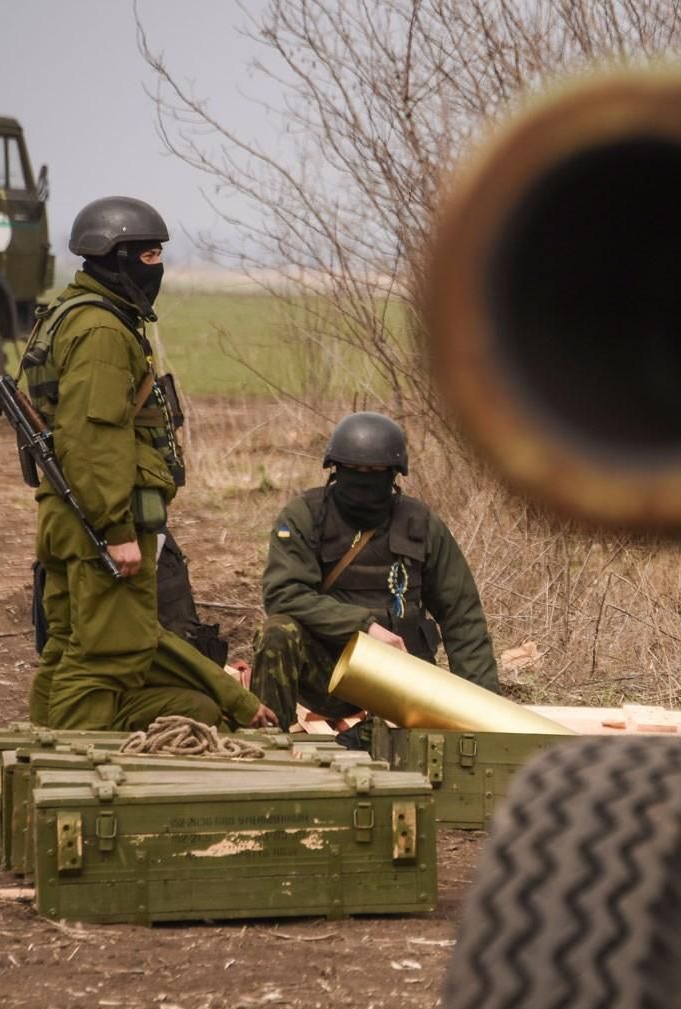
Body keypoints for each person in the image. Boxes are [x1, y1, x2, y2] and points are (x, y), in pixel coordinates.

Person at [25, 194, 272, 732]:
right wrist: (116, 530)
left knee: (69, 645)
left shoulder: (76, 315)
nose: (156, 267)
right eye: (149, 256)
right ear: (116, 258)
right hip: (98, 521)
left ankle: (39, 747)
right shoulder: (102, 332)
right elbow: (96, 438)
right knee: (106, 656)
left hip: (71, 516)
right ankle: (73, 760)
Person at [253, 412, 500, 730]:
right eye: (353, 470)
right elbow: (283, 595)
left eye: (374, 472)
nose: (363, 480)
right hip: (330, 675)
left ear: (393, 474)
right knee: (277, 632)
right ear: (336, 469)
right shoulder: (305, 516)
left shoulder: (421, 524)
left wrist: (486, 712)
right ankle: (271, 745)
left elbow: (462, 617)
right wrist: (365, 627)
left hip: (402, 679)